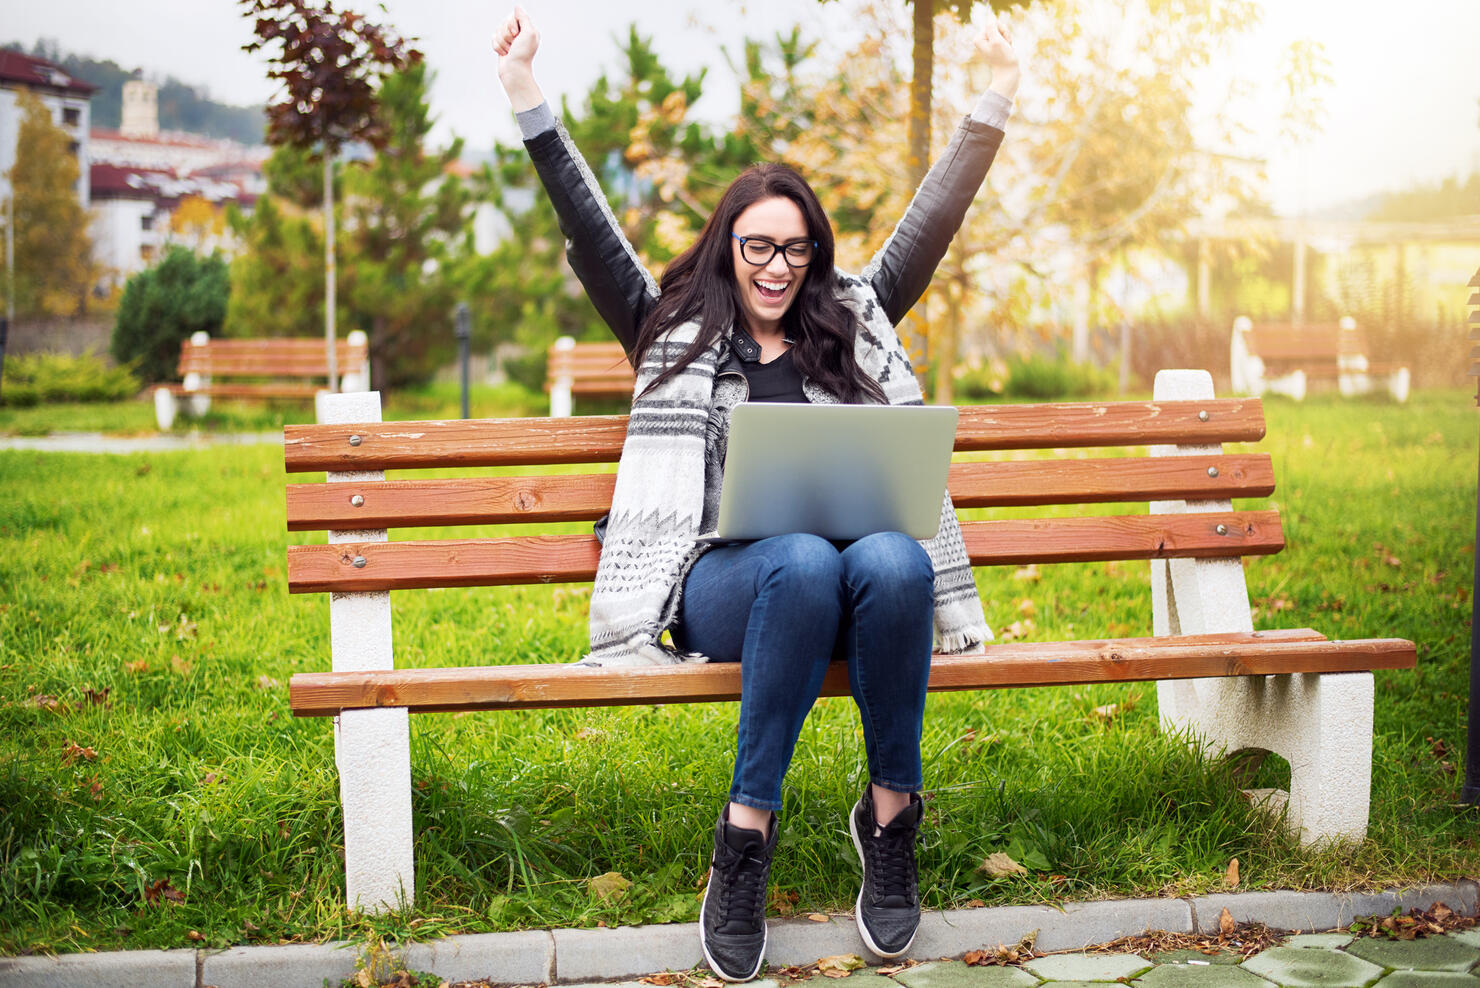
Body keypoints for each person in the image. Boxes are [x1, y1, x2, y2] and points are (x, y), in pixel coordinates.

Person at [494, 7, 1018, 981]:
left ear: (814, 253)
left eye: (795, 250)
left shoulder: (853, 316)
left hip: (853, 585)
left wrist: (991, 96)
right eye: (756, 248)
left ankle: (890, 817)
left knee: (892, 555)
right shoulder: (671, 327)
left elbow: (931, 222)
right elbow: (585, 219)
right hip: (724, 583)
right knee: (800, 558)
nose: (776, 269)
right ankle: (744, 839)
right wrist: (525, 93)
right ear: (727, 246)